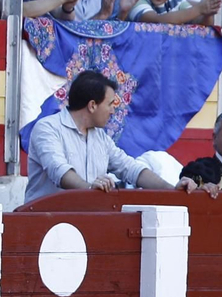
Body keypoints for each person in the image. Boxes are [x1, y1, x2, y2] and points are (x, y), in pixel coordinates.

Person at [24, 71, 191, 204]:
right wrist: (90, 189)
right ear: (92, 105)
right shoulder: (47, 128)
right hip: (44, 223)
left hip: (86, 222)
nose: (113, 111)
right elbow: (59, 171)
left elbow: (131, 168)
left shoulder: (101, 138)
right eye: (110, 104)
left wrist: (172, 189)